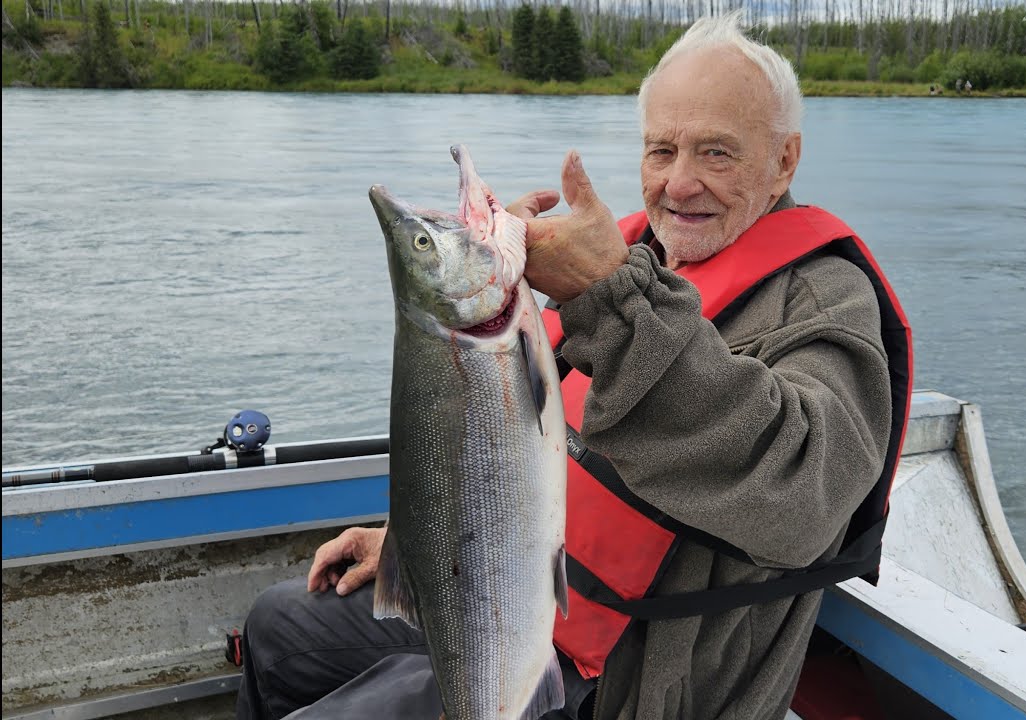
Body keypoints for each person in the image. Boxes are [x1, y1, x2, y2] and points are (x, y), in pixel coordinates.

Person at [235, 10, 911, 720]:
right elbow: (498, 444)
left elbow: (803, 500)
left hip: (633, 677)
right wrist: (421, 550)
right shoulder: (636, 258)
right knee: (280, 628)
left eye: (716, 153)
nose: (679, 183)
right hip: (511, 586)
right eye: (661, 151)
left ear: (784, 161)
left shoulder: (825, 302)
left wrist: (609, 299)